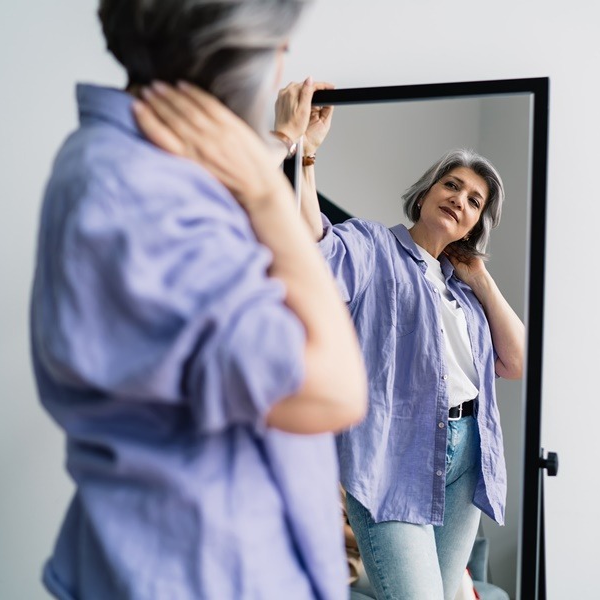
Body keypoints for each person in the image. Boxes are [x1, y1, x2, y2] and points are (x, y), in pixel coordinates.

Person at [136, 80, 526, 600]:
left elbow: (516, 359)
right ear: (427, 191)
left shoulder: (465, 292)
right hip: (394, 458)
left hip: (467, 459)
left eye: (474, 200)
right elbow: (314, 246)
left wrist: (480, 277)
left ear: (477, 223)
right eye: (451, 185)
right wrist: (307, 156)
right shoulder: (371, 246)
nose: (459, 199)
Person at [30, 1, 367, 598]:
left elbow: (209, 188)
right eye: (279, 44)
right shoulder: (141, 199)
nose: (282, 59)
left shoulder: (136, 164)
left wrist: (286, 143)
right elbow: (335, 389)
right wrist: (269, 199)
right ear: (240, 52)